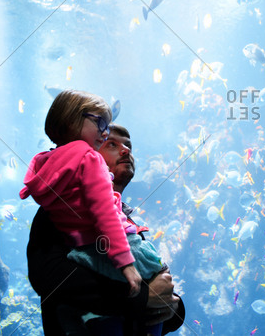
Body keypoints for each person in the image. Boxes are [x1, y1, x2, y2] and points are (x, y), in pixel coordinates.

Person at [24, 90, 184, 335]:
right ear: (89, 153)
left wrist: (173, 306)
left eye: (129, 146)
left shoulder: (125, 217)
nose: (125, 151)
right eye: (112, 144)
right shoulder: (57, 212)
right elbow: (49, 278)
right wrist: (140, 298)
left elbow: (162, 306)